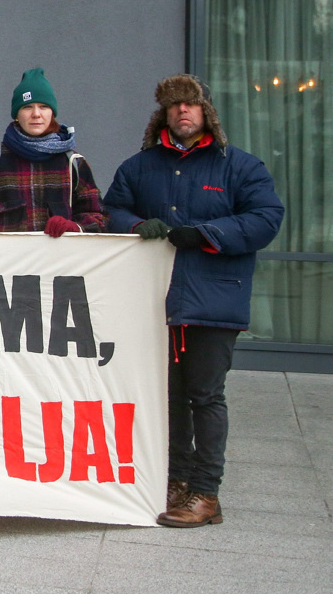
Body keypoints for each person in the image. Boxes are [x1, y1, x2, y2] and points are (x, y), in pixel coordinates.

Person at [104, 74, 283, 527]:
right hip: (156, 300)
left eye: (191, 104)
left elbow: (266, 218)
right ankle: (175, 481)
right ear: (163, 114)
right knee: (168, 396)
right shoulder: (139, 167)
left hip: (214, 300)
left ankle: (206, 492)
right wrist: (134, 225)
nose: (183, 111)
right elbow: (110, 210)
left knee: (205, 395)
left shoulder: (240, 166)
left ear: (207, 112)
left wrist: (206, 233)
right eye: (174, 105)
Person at [0, 67, 106, 235]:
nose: (36, 114)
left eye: (44, 106)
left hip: (59, 253)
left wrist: (75, 228)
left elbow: (98, 216)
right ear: (17, 115)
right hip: (3, 253)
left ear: (52, 113)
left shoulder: (73, 162)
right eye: (27, 107)